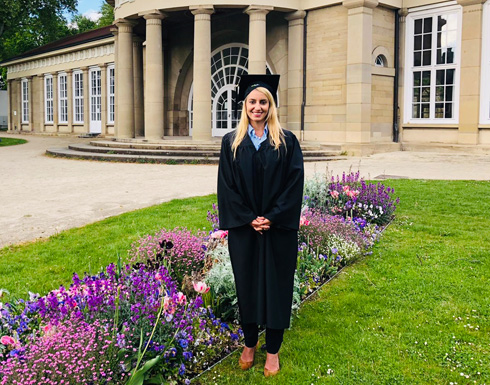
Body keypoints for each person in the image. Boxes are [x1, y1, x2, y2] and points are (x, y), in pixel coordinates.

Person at [217, 74, 304, 377]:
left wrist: (274, 216)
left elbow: (294, 184)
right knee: (248, 287)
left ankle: (273, 351)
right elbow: (227, 188)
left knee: (278, 287)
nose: (258, 106)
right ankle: (250, 343)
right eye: (252, 101)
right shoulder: (232, 143)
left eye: (263, 102)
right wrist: (247, 218)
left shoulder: (286, 141)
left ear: (271, 106)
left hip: (277, 230)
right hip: (245, 231)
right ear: (244, 105)